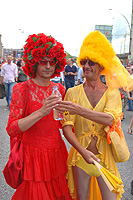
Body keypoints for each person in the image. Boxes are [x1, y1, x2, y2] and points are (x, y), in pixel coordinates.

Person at [56, 31, 133, 200]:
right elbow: (66, 128)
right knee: (81, 197)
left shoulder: (112, 93)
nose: (86, 66)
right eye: (84, 62)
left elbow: (110, 119)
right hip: (80, 156)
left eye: (91, 63)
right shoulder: (72, 92)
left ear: (101, 66)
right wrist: (83, 152)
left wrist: (79, 110)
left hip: (104, 157)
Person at [6, 33, 72, 200]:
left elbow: (63, 123)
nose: (48, 66)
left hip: (56, 154)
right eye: (43, 61)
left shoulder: (60, 89)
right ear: (34, 63)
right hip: (32, 157)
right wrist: (41, 112)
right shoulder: (22, 89)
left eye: (52, 62)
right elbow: (12, 129)